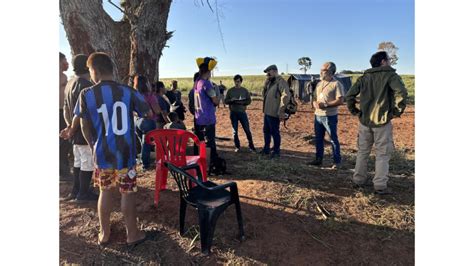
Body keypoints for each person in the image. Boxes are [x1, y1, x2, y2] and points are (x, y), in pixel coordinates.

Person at [66, 52, 153, 246]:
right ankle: (132, 234)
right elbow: (147, 113)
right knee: (127, 192)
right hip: (127, 154)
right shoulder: (128, 91)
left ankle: (104, 234)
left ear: (94, 71)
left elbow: (83, 125)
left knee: (105, 192)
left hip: (102, 153)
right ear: (111, 69)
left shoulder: (87, 94)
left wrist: (92, 145)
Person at [346, 51, 407, 195]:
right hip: (382, 122)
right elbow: (402, 93)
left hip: (364, 121)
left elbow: (349, 95)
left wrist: (355, 111)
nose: (390, 62)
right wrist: (396, 112)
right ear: (383, 62)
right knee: (382, 155)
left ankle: (359, 180)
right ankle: (380, 185)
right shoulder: (391, 76)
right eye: (388, 60)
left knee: (362, 152)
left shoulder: (364, 77)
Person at [61, 54, 98, 202]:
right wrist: (73, 128)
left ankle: (76, 191)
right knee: (87, 162)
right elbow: (80, 113)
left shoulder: (70, 83)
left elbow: (65, 109)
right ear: (86, 67)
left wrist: (69, 127)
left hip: (74, 132)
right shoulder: (86, 85)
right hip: (83, 131)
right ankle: (83, 194)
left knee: (78, 162)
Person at [307, 62, 345, 169]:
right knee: (318, 139)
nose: (320, 71)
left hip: (330, 116)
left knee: (333, 139)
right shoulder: (319, 84)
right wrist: (314, 103)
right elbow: (315, 98)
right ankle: (318, 159)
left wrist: (326, 105)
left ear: (330, 71)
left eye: (323, 70)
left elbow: (341, 100)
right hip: (318, 115)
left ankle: (337, 162)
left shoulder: (336, 84)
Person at [260, 64, 290, 159]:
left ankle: (276, 152)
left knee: (275, 132)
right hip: (267, 112)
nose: (267, 74)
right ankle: (266, 149)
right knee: (266, 131)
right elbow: (264, 95)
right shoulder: (270, 82)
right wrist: (266, 83)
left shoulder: (280, 81)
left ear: (274, 71)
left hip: (274, 112)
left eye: (269, 72)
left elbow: (285, 96)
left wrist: (281, 110)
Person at [193, 57, 220, 161]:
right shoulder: (206, 83)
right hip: (208, 118)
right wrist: (217, 98)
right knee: (210, 142)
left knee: (201, 141)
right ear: (208, 71)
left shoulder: (197, 82)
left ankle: (201, 161)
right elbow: (215, 101)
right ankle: (211, 161)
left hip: (199, 117)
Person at [134, 75, 162, 170]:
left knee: (142, 142)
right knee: (146, 143)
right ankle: (145, 165)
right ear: (146, 84)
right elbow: (157, 110)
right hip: (148, 121)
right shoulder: (150, 96)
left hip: (137, 121)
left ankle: (143, 159)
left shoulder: (135, 95)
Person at [224, 74, 256, 153]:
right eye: (235, 81)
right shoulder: (230, 91)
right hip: (233, 113)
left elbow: (249, 101)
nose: (237, 83)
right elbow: (225, 101)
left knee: (247, 129)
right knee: (235, 131)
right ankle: (237, 146)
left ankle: (251, 146)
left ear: (241, 82)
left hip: (242, 113)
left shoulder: (244, 90)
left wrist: (242, 103)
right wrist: (231, 100)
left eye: (238, 81)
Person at [60, 52, 72, 181]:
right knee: (63, 142)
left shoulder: (64, 76)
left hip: (62, 110)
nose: (67, 63)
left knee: (64, 143)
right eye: (64, 60)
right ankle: (62, 171)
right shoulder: (61, 77)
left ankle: (63, 170)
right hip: (58, 111)